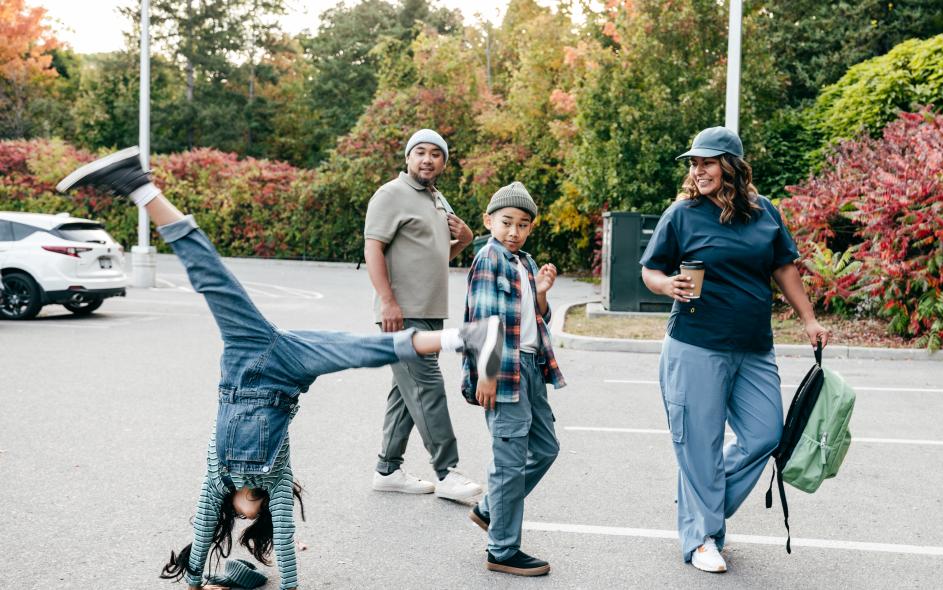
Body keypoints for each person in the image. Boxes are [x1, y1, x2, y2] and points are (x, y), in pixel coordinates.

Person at [54, 147, 503, 590]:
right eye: (252, 519)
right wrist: (287, 586)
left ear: (228, 508)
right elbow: (284, 543)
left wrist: (194, 581)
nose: (243, 517)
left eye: (236, 517)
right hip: (287, 372)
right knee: (362, 349)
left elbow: (204, 525)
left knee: (210, 277)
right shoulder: (277, 479)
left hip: (244, 358)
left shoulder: (217, 477)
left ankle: (138, 185)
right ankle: (469, 337)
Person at [639, 127, 830, 573]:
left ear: (732, 166)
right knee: (699, 444)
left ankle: (699, 501)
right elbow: (651, 270)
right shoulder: (682, 214)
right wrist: (667, 285)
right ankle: (702, 538)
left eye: (707, 162)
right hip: (695, 344)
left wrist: (809, 318)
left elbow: (784, 267)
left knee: (766, 435)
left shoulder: (765, 212)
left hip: (754, 346)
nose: (698, 170)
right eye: (694, 163)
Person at [363, 129, 484, 500]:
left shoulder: (436, 199)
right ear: (408, 158)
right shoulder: (390, 194)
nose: (427, 159)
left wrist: (465, 239)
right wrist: (387, 301)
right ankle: (446, 473)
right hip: (403, 313)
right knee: (427, 387)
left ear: (444, 162)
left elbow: (434, 257)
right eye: (420, 152)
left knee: (406, 392)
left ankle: (387, 469)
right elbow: (373, 248)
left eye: (436, 153)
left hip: (430, 312)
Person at [462, 182, 566, 577]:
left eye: (523, 224)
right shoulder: (489, 258)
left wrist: (541, 293)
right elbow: (483, 320)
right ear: (488, 221)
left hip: (531, 367)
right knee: (509, 462)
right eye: (506, 222)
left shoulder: (525, 262)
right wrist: (486, 373)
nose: (514, 231)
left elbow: (537, 319)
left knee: (546, 448)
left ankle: (491, 509)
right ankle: (502, 550)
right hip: (503, 369)